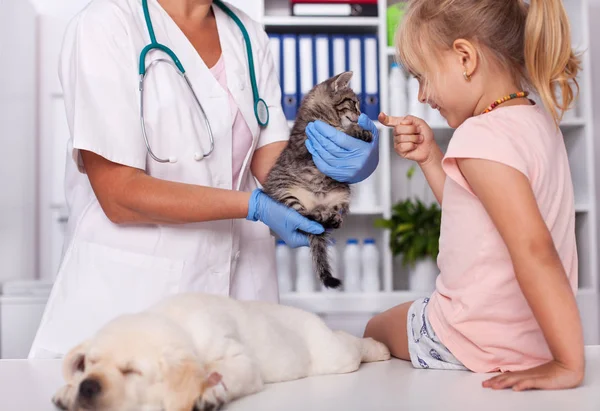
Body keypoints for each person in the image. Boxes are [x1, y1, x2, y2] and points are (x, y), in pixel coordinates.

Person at [28, 0, 379, 359]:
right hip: (134, 299)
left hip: (240, 295)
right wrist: (252, 206)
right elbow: (118, 195)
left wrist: (340, 166)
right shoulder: (106, 26)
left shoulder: (247, 35)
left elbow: (272, 165)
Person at [365, 0, 585, 390]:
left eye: (423, 77)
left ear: (465, 58)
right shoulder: (537, 121)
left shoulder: (479, 136)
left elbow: (535, 249)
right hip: (533, 341)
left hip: (469, 339)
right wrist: (432, 156)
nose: (421, 96)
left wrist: (569, 363)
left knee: (375, 327)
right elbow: (477, 225)